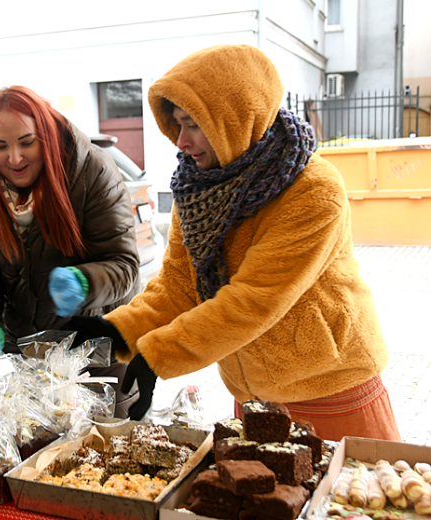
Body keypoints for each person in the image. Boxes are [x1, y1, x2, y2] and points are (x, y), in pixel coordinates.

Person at [65, 44, 401, 440]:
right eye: (177, 124)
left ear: (237, 116)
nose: (181, 141)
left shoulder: (312, 188)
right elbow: (178, 287)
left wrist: (158, 355)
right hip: (252, 395)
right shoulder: (198, 190)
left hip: (329, 392)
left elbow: (255, 298)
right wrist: (119, 330)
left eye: (193, 124)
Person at [0, 85, 142, 418]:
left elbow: (124, 266)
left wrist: (84, 282)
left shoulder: (90, 171)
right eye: (0, 147)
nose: (15, 159)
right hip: (22, 359)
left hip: (95, 356)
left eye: (27, 143)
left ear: (46, 135)